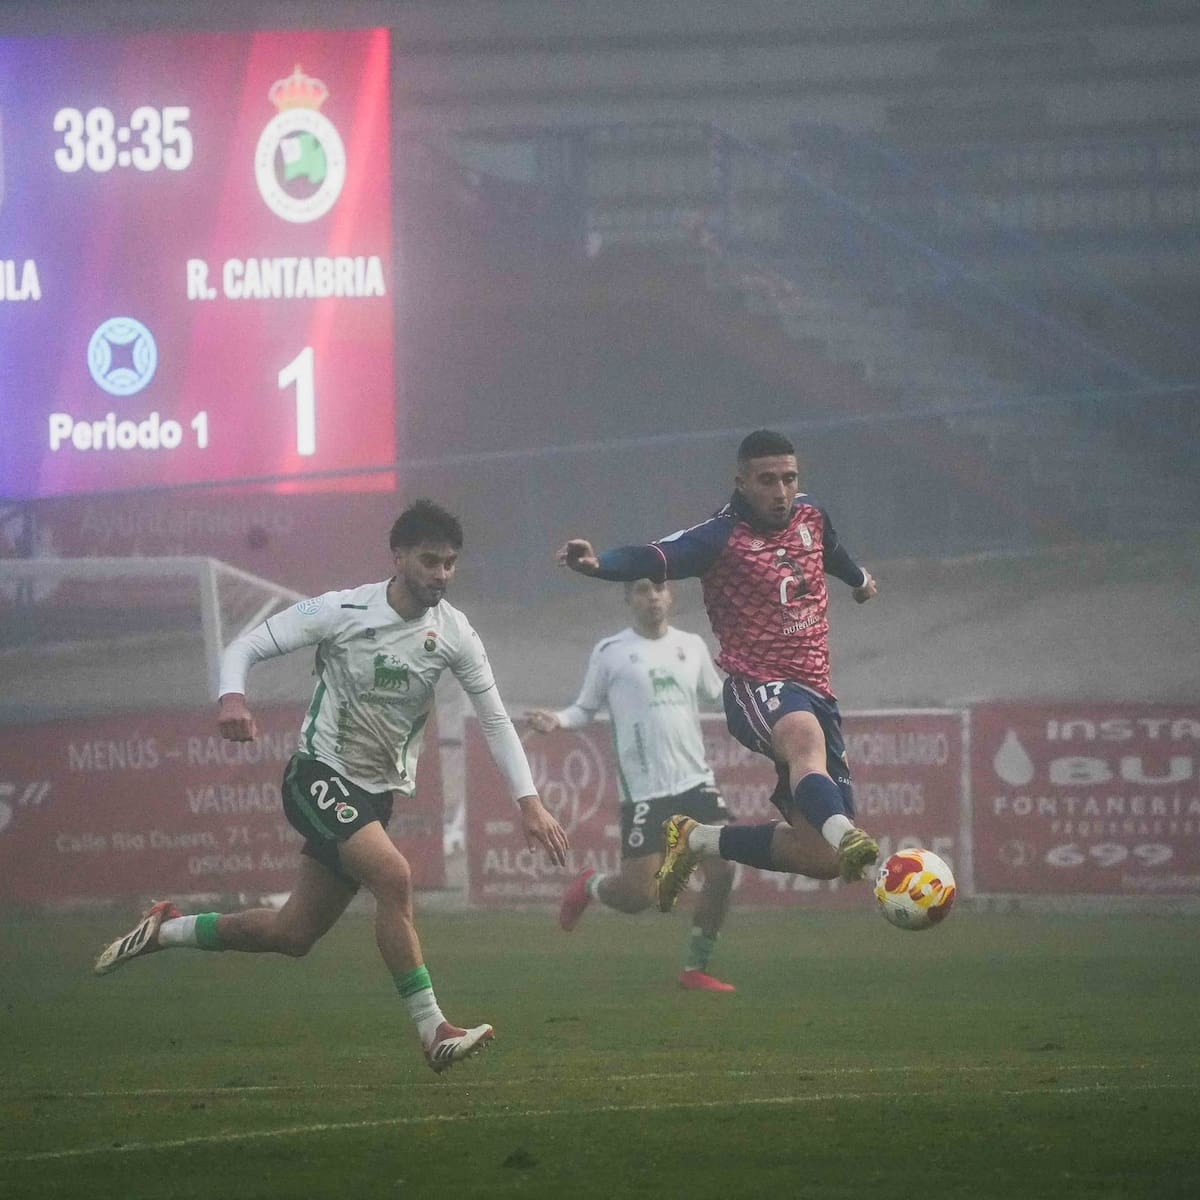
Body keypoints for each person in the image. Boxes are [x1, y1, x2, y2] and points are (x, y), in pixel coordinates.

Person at [95, 500, 569, 1075]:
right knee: (393, 875)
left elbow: (493, 720)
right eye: (430, 561)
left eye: (449, 563)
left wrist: (529, 803)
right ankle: (434, 1030)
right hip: (316, 774)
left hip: (373, 798)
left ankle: (166, 929)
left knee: (292, 933)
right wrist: (233, 698)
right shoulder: (343, 610)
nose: (441, 574)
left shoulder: (455, 633)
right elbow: (245, 646)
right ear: (398, 557)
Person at [555, 429, 879, 913]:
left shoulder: (811, 514)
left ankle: (697, 839)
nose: (781, 491)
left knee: (822, 858)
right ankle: (849, 836)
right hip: (758, 685)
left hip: (817, 692)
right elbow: (655, 556)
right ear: (742, 482)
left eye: (789, 478)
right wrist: (599, 564)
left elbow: (829, 550)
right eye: (767, 480)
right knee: (804, 742)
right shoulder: (719, 537)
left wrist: (859, 579)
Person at [527, 578, 738, 993]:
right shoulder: (611, 651)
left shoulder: (692, 646)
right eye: (642, 589)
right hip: (644, 792)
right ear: (628, 598)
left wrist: (764, 696)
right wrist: (558, 720)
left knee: (723, 871)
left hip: (695, 782)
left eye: (659, 587)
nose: (653, 596)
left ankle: (695, 968)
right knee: (639, 895)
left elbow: (720, 697)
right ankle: (590, 884)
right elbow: (585, 707)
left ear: (670, 595)